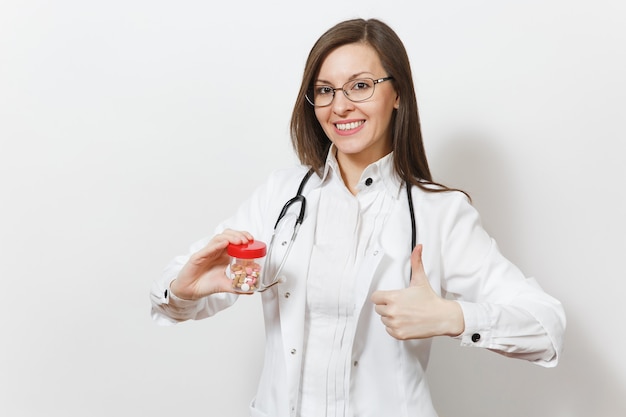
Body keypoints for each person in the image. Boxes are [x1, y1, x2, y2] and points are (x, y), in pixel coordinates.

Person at [150, 18, 566, 417]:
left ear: (397, 92)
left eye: (360, 86)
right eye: (325, 90)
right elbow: (169, 299)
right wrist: (184, 290)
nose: (340, 106)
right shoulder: (281, 195)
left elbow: (546, 329)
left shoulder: (439, 212)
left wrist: (452, 317)